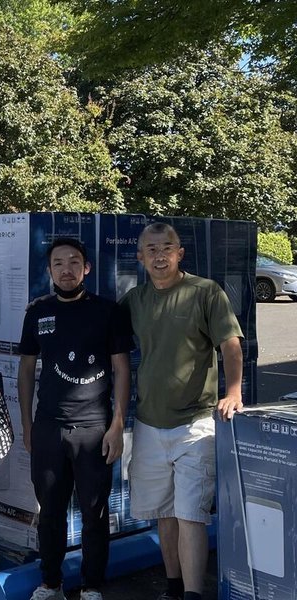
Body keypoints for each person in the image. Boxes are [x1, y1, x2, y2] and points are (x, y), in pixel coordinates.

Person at [120, 222, 243, 600]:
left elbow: (230, 344)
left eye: (166, 247)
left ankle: (193, 594)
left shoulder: (205, 292)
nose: (160, 255)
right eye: (151, 249)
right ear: (140, 257)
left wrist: (234, 391)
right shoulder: (134, 300)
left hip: (196, 422)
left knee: (191, 514)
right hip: (148, 424)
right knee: (164, 512)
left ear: (180, 253)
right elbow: (98, 332)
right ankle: (174, 588)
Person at [18, 238, 133, 600]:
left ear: (86, 268)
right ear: (49, 270)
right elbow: (25, 371)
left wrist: (117, 424)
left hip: (94, 429)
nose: (66, 269)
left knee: (94, 513)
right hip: (48, 427)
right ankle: (50, 582)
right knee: (50, 511)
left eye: (73, 262)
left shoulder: (108, 310)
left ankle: (91, 586)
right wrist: (27, 425)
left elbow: (121, 369)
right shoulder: (38, 311)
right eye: (58, 263)